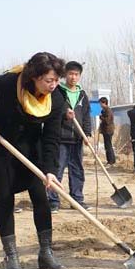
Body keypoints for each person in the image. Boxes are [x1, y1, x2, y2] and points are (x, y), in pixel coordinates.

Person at [0, 52, 66, 269]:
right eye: (49, 80)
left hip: (31, 150)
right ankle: (11, 257)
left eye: (56, 80)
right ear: (35, 77)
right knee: (5, 199)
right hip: (1, 146)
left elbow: (51, 137)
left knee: (41, 198)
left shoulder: (56, 98)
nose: (53, 85)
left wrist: (50, 170)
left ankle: (46, 254)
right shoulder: (11, 82)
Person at [47, 61, 92, 213]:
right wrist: (63, 114)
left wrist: (87, 134)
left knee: (77, 170)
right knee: (57, 170)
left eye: (76, 74)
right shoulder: (57, 92)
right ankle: (53, 201)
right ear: (65, 75)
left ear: (79, 76)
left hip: (77, 139)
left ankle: (77, 200)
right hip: (61, 138)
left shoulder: (82, 95)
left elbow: (86, 116)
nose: (73, 77)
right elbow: (50, 111)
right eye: (70, 74)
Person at [98, 97, 116, 166]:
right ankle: (111, 160)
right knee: (107, 146)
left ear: (104, 103)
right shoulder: (103, 110)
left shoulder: (108, 110)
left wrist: (101, 117)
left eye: (100, 103)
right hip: (105, 130)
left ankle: (110, 161)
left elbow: (107, 121)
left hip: (108, 130)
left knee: (108, 146)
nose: (100, 105)